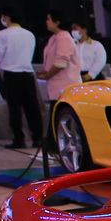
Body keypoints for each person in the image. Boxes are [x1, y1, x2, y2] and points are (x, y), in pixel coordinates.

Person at [36, 12, 80, 166]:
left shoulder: (64, 38)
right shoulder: (54, 38)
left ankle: (54, 150)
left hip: (65, 84)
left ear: (57, 21)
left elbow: (61, 62)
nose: (46, 22)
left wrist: (48, 75)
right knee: (55, 118)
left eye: (48, 19)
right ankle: (52, 150)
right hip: (55, 85)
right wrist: (46, 71)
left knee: (59, 118)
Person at [0, 9, 42, 149]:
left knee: (14, 108)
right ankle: (38, 138)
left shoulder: (2, 34)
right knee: (32, 107)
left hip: (11, 73)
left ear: (7, 17)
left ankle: (19, 139)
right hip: (27, 73)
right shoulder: (29, 34)